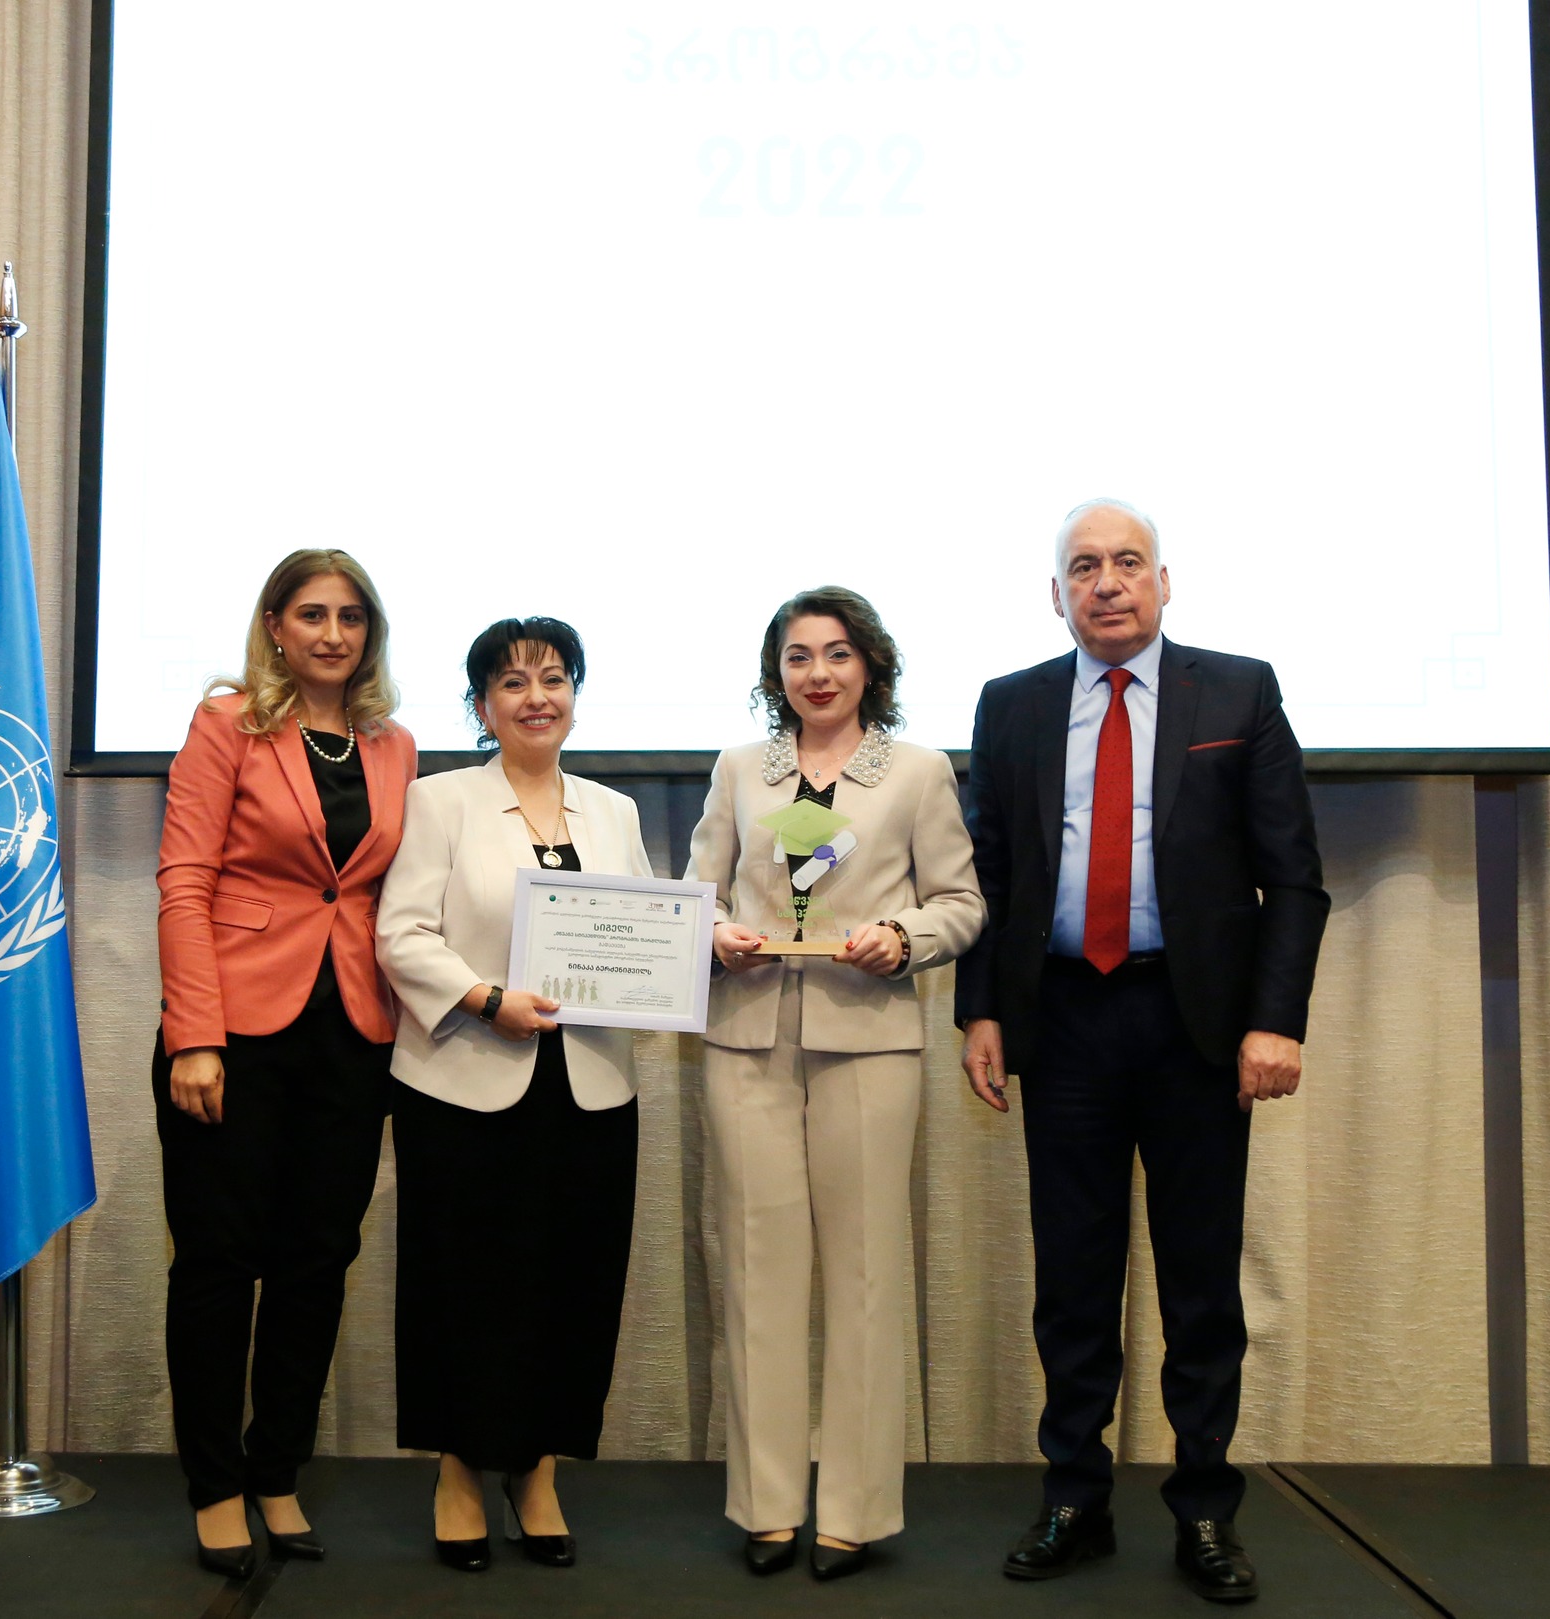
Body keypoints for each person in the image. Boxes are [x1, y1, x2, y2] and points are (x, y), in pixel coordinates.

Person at [957, 500, 1328, 1605]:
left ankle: (1205, 1508)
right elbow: (988, 872)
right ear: (1056, 594)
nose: (1107, 582)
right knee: (1072, 1282)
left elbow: (1292, 878)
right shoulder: (1013, 704)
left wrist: (1275, 1020)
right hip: (1064, 1018)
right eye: (1084, 566)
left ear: (1164, 582)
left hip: (1194, 1026)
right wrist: (982, 1009)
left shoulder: (1237, 692)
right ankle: (1074, 1496)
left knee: (1200, 1284)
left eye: (1127, 563)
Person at [687, 586, 985, 1581]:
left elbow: (961, 902)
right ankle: (768, 1506)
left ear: (871, 666)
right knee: (758, 1274)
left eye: (837, 654)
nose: (817, 673)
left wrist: (903, 935)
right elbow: (694, 895)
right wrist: (713, 935)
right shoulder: (739, 768)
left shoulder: (916, 771)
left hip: (867, 1041)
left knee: (863, 1276)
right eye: (798, 656)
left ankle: (853, 1511)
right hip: (746, 1039)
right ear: (775, 673)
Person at [154, 549, 417, 1577]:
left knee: (316, 1262)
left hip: (351, 1033)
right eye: (311, 613)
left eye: (351, 616)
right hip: (233, 1032)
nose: (332, 633)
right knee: (219, 1265)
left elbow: (380, 892)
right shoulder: (227, 724)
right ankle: (214, 1485)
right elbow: (184, 880)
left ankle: (277, 1470)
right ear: (275, 626)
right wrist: (195, 1033)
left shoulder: (393, 744)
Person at [375, 618, 651, 1575]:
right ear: (482, 705)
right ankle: (458, 1468)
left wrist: (704, 948)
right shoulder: (442, 799)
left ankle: (538, 1471)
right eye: (513, 682)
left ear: (576, 693)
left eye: (555, 678)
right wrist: (487, 999)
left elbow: (646, 930)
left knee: (574, 1284)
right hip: (463, 1080)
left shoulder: (614, 810)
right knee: (462, 1285)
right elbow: (403, 932)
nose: (538, 697)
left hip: (591, 1087)